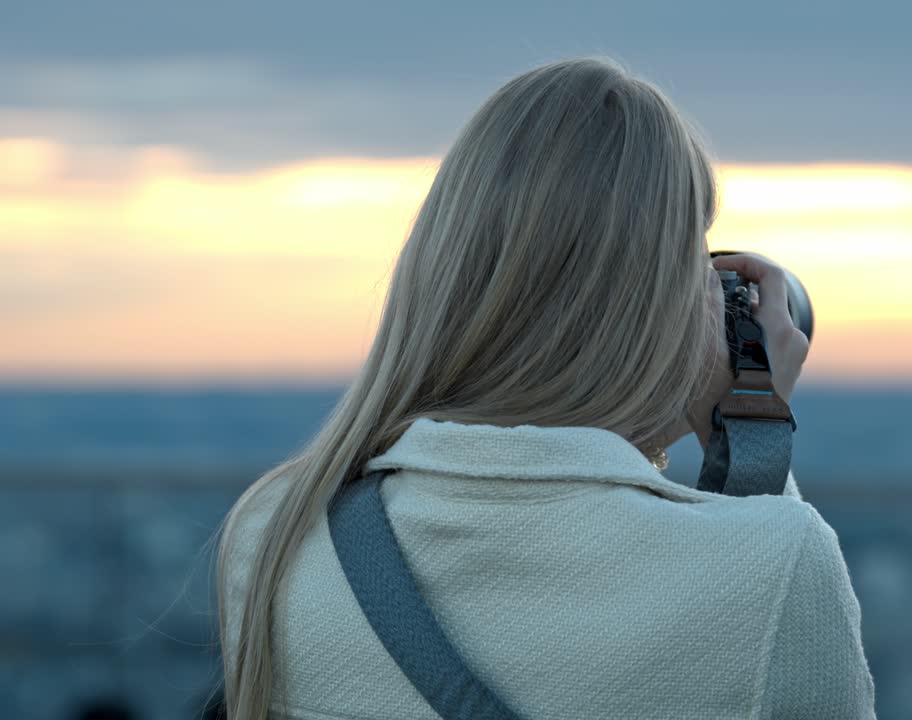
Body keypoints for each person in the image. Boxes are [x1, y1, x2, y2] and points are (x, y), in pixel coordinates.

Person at [216, 57, 875, 719]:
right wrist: (751, 432)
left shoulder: (278, 534)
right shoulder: (780, 568)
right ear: (653, 306)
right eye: (693, 254)